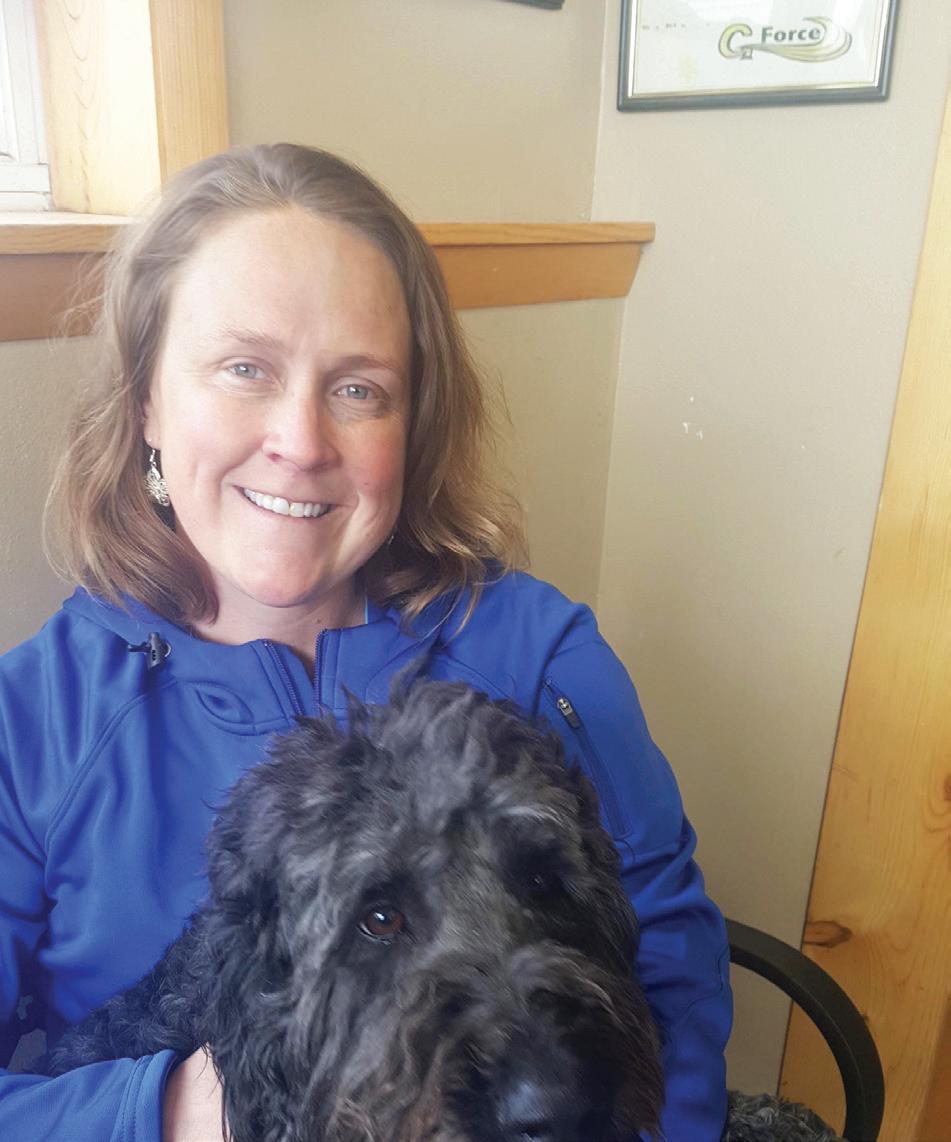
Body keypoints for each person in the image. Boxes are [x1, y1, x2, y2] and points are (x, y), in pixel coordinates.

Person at [0, 143, 732, 1141]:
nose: (301, 441)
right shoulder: (34, 723)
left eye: (359, 389)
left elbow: (670, 987)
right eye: (245, 368)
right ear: (147, 402)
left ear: (413, 422)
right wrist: (177, 1112)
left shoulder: (542, 658)